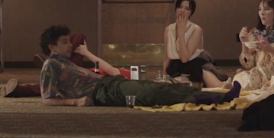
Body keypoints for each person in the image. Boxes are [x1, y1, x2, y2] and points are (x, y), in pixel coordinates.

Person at [38, 25, 239, 107]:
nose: (69, 44)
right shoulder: (51, 65)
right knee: (152, 94)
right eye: (64, 42)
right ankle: (218, 97)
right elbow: (47, 99)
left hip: (110, 84)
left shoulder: (65, 62)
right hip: (103, 91)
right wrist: (75, 102)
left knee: (156, 87)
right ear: (52, 46)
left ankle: (216, 95)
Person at [223, 0, 274, 97]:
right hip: (263, 74)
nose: (262, 13)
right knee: (242, 77)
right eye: (260, 9)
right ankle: (245, 89)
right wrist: (244, 43)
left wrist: (271, 51)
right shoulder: (255, 33)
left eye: (267, 9)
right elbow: (248, 64)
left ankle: (252, 91)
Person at [163, 0, 230, 88]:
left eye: (187, 9)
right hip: (175, 67)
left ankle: (223, 87)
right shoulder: (168, 29)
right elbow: (167, 57)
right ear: (176, 9)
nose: (182, 11)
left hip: (194, 64)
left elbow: (184, 58)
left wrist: (181, 34)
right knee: (175, 82)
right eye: (180, 7)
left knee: (203, 73)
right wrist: (164, 75)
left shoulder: (196, 29)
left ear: (191, 13)